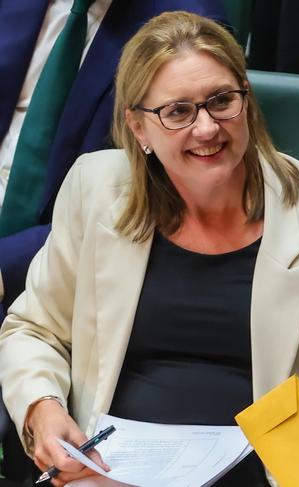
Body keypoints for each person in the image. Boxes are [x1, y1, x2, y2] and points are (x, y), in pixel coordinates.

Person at [0, 10, 299, 487]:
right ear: (139, 128)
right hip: (116, 472)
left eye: (222, 101)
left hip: (276, 471)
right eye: (177, 111)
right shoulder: (94, 188)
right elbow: (34, 329)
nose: (206, 129)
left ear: (247, 101)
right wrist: (44, 409)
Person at [0, 1, 228, 482]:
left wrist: (3, 268)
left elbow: (132, 196)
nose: (207, 121)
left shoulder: (183, 25)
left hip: (48, 252)